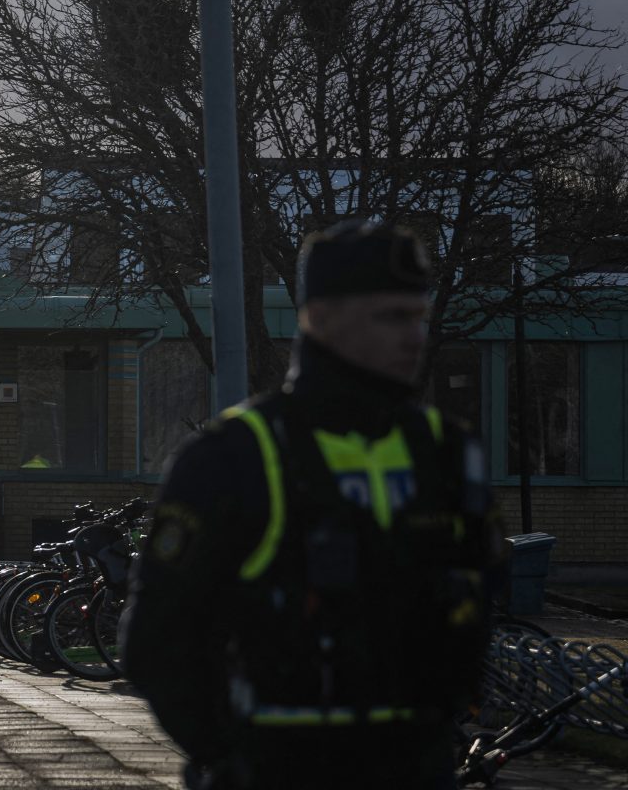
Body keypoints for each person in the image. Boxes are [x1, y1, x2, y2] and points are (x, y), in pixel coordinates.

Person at [120, 220, 498, 789]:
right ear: (319, 319)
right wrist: (225, 757)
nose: (414, 337)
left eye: (418, 316)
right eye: (390, 317)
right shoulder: (237, 455)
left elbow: (480, 594)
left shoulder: (446, 451)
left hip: (419, 765)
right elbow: (157, 639)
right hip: (280, 765)